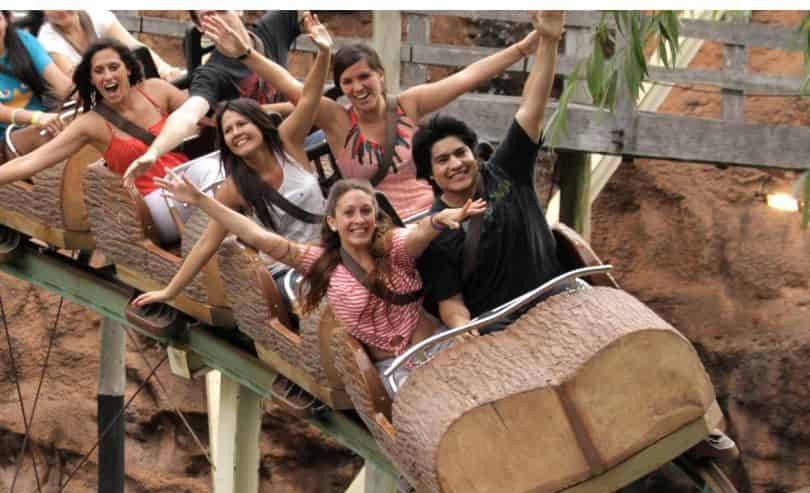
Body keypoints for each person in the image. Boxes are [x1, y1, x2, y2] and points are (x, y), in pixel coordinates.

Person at [156, 173, 485, 395]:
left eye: (365, 211)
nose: (358, 220)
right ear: (333, 221)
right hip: (395, 370)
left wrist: (439, 220)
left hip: (437, 346)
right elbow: (256, 235)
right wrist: (201, 200)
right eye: (349, 213)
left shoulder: (391, 247)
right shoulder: (319, 263)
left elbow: (417, 235)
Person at [197, 11, 542, 220]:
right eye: (347, 81)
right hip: (383, 227)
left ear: (380, 76)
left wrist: (525, 48)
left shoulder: (408, 105)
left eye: (364, 77)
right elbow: (289, 83)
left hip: (439, 211)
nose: (357, 87)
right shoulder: (337, 120)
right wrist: (245, 54)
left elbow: (466, 77)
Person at [131, 13, 333, 309]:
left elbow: (310, 98)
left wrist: (324, 51)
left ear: (259, 123)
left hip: (328, 254)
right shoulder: (235, 186)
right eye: (228, 130)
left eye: (242, 125)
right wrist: (170, 292)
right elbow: (206, 244)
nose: (237, 133)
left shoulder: (288, 142)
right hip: (289, 271)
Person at [413, 11, 566, 334]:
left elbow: (531, 108)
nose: (455, 164)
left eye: (460, 153)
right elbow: (449, 299)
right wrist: (461, 326)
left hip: (558, 302)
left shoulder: (506, 171)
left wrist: (549, 41)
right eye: (442, 161)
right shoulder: (436, 232)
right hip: (504, 327)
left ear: (474, 153)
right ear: (429, 175)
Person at [0, 38, 214, 244]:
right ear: (91, 79)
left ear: (128, 69)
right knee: (213, 182)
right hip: (152, 206)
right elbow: (32, 161)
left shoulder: (157, 90)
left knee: (216, 169)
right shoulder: (91, 123)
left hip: (188, 182)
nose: (108, 76)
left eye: (114, 67)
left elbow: (206, 117)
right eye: (99, 71)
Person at [122, 10, 301, 187]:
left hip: (300, 130)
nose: (218, 20)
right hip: (265, 157)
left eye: (222, 10)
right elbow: (188, 114)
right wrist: (154, 152)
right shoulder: (211, 74)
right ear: (201, 27)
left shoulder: (272, 27)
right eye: (208, 16)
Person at [38, 10, 182, 81]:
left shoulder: (96, 15)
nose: (61, 9)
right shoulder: (47, 39)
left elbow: (135, 47)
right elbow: (75, 80)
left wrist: (165, 70)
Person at [0, 10, 72, 147]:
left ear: (6, 19)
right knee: (48, 134)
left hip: (43, 120)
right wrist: (35, 117)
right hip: (7, 134)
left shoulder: (23, 40)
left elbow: (61, 84)